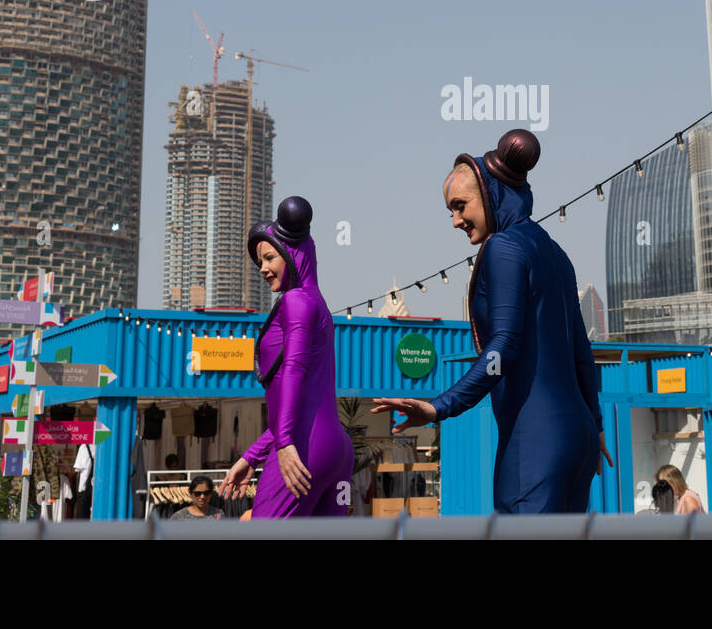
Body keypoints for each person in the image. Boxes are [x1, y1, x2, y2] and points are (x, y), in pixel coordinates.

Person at [372, 129, 613, 513]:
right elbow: (581, 353)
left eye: (460, 205)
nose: (455, 220)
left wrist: (439, 407)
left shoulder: (502, 248)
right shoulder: (557, 253)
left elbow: (503, 348)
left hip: (533, 441)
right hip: (577, 438)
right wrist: (595, 427)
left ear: (490, 193)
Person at [222, 196, 354, 517]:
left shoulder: (295, 301)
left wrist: (283, 445)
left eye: (269, 257)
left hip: (303, 451)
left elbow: (293, 371)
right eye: (260, 262)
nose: (264, 269)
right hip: (337, 452)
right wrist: (250, 457)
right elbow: (305, 404)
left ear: (293, 252)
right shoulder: (316, 302)